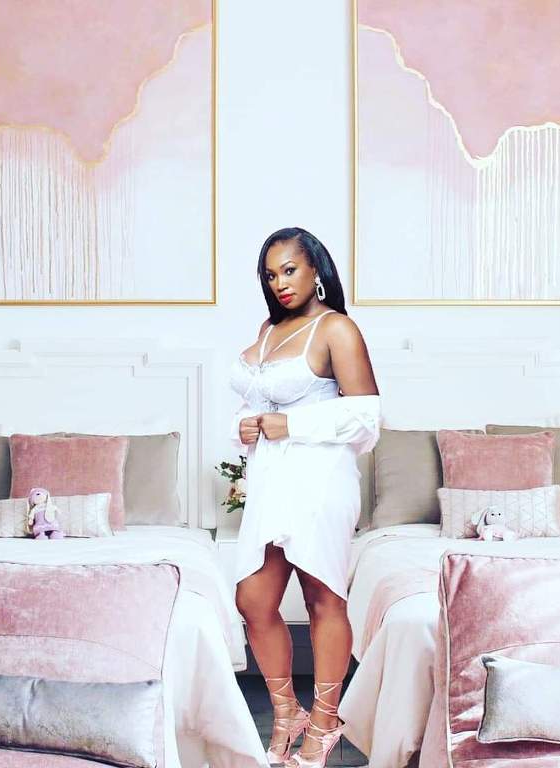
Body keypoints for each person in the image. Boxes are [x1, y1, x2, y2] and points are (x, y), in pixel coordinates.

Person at [228, 227, 382, 768]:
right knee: (253, 599)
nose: (280, 282)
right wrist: (245, 427)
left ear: (315, 267)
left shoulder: (336, 328)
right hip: (272, 481)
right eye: (271, 274)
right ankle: (286, 712)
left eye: (290, 270)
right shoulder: (269, 330)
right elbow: (260, 402)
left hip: (321, 481)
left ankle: (324, 721)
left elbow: (367, 418)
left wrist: (290, 424)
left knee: (322, 599)